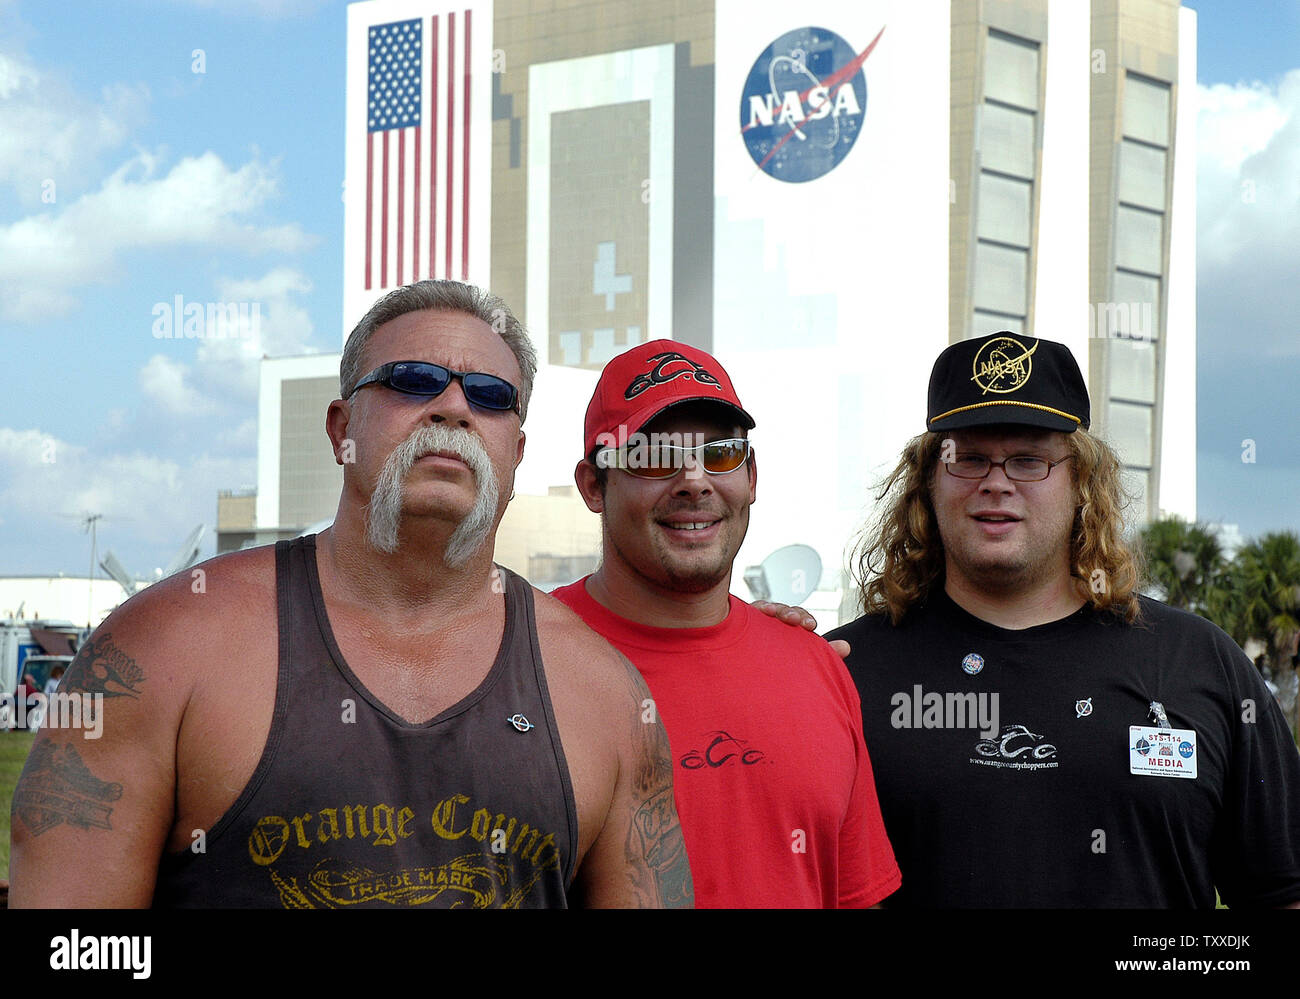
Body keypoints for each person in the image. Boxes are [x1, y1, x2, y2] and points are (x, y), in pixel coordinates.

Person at [9, 280, 691, 909]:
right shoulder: (162, 646)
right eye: (412, 380)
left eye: (488, 394)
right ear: (342, 430)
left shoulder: (603, 696)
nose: (452, 406)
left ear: (515, 448)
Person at [827, 332, 1300, 908]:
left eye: (1030, 460)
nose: (996, 481)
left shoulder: (1198, 662)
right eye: (968, 458)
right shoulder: (842, 674)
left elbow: (1282, 891)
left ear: (1083, 483)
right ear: (928, 481)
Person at [553, 340, 900, 908]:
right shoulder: (527, 660)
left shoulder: (815, 666)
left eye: (719, 454)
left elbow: (856, 896)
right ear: (594, 485)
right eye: (655, 456)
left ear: (752, 478)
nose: (694, 480)